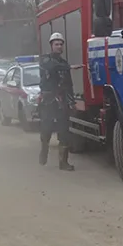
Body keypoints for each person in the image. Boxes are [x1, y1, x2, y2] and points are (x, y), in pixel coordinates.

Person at [38, 32, 83, 170]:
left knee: (64, 132)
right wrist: (69, 67)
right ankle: (44, 149)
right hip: (48, 101)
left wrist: (72, 102)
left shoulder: (64, 63)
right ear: (51, 45)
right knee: (46, 129)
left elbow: (68, 85)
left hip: (62, 101)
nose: (59, 46)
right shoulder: (45, 60)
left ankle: (63, 162)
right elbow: (52, 68)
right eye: (56, 44)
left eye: (61, 44)